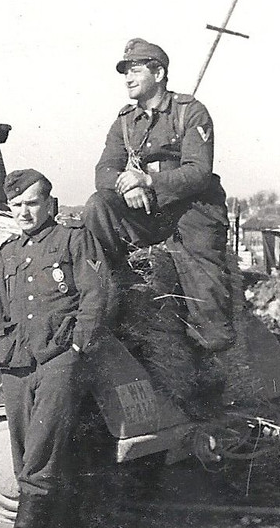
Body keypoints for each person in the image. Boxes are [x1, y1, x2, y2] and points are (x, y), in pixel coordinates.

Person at [0, 169, 110, 528]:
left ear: (49, 204)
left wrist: (77, 349)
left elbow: (98, 294)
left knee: (41, 455)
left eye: (32, 203)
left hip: (59, 360)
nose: (24, 211)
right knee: (26, 456)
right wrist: (1, 350)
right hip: (19, 364)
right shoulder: (8, 253)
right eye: (17, 205)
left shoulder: (72, 240)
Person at [83, 38, 236, 353]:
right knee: (98, 207)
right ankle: (116, 290)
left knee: (205, 295)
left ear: (159, 73)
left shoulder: (190, 112)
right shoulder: (125, 121)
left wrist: (148, 180)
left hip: (194, 211)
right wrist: (132, 186)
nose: (128, 78)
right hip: (150, 211)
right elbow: (104, 173)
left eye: (135, 70)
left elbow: (198, 172)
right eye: (125, 72)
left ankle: (219, 369)